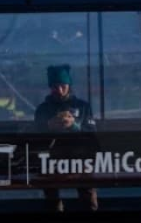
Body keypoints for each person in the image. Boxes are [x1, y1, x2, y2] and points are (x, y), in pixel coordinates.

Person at [35, 64, 97, 212]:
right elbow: (35, 136)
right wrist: (49, 126)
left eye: (63, 86)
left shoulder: (82, 106)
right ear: (51, 87)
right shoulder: (43, 109)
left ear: (69, 85)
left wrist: (74, 126)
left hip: (79, 156)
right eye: (56, 86)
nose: (60, 90)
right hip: (52, 157)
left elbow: (92, 132)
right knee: (51, 195)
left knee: (87, 193)